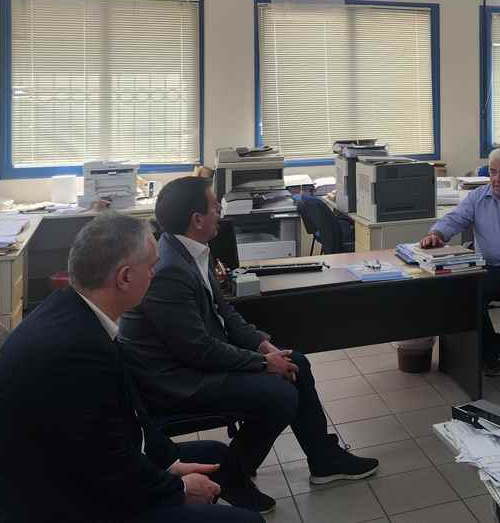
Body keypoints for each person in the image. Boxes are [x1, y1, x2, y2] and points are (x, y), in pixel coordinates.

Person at [118, 177, 378, 515]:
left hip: (192, 362)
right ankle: (232, 476)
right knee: (279, 394)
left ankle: (323, 458)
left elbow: (224, 313)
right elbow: (198, 350)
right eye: (214, 207)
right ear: (197, 219)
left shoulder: (189, 250)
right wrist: (263, 364)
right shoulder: (169, 269)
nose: (220, 213)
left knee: (296, 361)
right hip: (174, 380)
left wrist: (264, 346)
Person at [0, 213, 263, 523]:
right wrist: (177, 487)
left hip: (83, 470)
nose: (157, 274)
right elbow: (105, 464)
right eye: (152, 267)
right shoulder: (76, 350)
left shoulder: (71, 311)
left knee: (218, 458)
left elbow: (128, 417)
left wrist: (168, 463)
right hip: (67, 503)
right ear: (125, 277)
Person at [421, 148, 500, 376]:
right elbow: (454, 219)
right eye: (492, 172)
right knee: (466, 301)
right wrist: (437, 234)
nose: (497, 179)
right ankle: (490, 352)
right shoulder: (477, 197)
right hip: (488, 269)